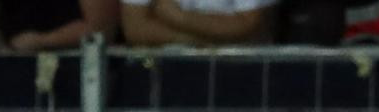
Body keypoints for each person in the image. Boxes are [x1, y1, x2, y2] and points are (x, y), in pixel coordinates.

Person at [0, 0, 119, 52]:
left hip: (75, 79)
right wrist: (2, 51)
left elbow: (100, 29)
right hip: (12, 78)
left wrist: (42, 41)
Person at [120, 0, 279, 46]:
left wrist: (178, 17)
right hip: (161, 73)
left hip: (239, 72)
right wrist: (205, 41)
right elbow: (136, 29)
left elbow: (249, 24)